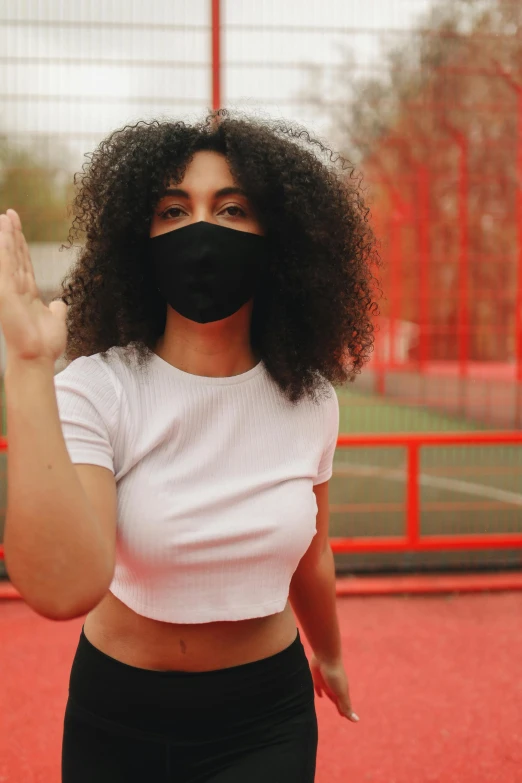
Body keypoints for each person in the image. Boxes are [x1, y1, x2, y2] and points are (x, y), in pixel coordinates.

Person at [2, 112, 378, 782]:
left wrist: (333, 652)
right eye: (173, 210)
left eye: (231, 208)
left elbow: (312, 554)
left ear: (278, 239)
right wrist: (30, 367)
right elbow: (62, 587)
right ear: (140, 238)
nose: (200, 229)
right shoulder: (99, 389)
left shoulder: (312, 399)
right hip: (117, 717)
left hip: (265, 717)